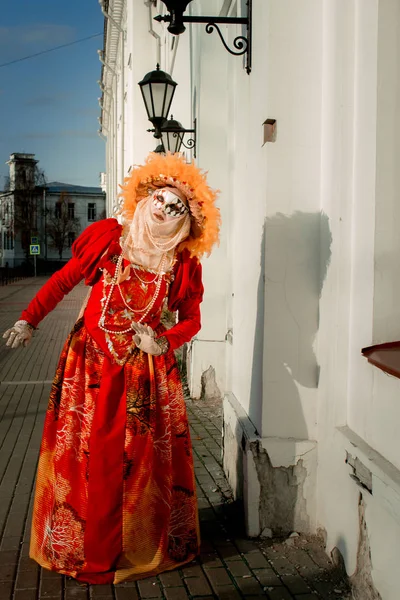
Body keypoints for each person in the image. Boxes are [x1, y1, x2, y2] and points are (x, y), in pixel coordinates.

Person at [3, 152, 220, 585]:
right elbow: (64, 279)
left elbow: (192, 319)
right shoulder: (109, 240)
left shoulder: (182, 265)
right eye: (160, 198)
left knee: (139, 464)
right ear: (146, 196)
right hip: (89, 368)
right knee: (87, 456)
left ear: (188, 220)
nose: (164, 208)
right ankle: (84, 543)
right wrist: (29, 318)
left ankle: (139, 543)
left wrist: (163, 340)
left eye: (176, 206)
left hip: (145, 376)